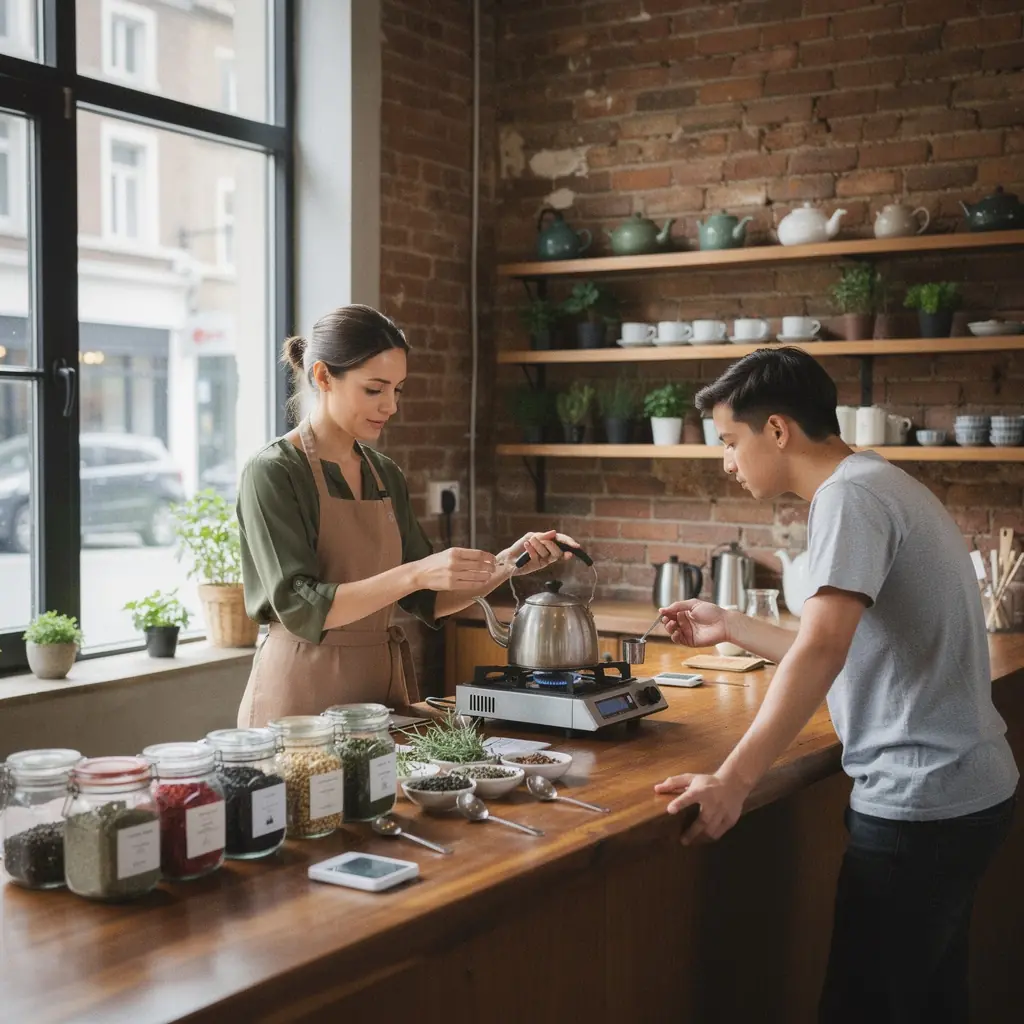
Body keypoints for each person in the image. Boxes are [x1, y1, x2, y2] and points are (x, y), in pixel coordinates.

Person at [654, 347, 1018, 1023]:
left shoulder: (848, 498)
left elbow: (823, 648)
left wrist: (732, 782)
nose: (726, 462)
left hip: (921, 801)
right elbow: (841, 647)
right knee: (931, 1004)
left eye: (730, 441)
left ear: (779, 431)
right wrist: (731, 624)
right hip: (964, 788)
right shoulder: (877, 481)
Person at [236, 304, 576, 726]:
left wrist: (510, 562)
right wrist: (414, 573)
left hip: (377, 694)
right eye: (374, 389)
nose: (390, 406)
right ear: (323, 377)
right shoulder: (273, 472)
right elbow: (302, 608)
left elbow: (427, 599)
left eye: (397, 390)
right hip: (299, 698)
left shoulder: (384, 474)